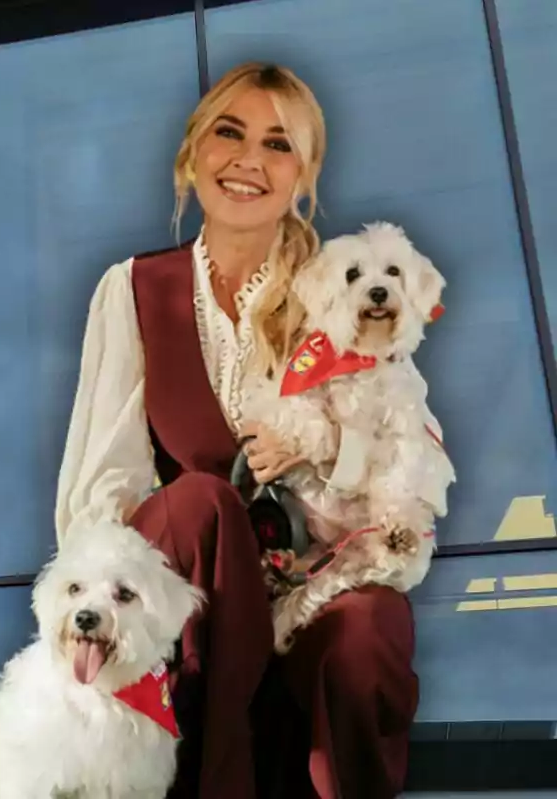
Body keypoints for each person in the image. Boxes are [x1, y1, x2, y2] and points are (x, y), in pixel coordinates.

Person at [53, 62, 440, 799]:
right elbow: (104, 474)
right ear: (192, 153)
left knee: (368, 629)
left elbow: (410, 450)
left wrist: (327, 447)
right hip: (185, 576)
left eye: (278, 144)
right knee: (202, 500)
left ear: (305, 174)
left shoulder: (344, 290)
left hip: (305, 583)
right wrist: (87, 602)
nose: (249, 161)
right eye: (229, 134)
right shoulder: (136, 287)